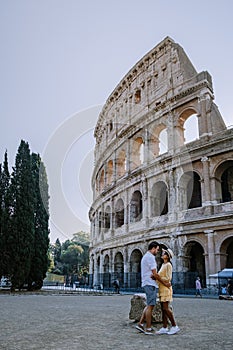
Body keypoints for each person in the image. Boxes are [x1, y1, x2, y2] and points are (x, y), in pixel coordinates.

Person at [135, 241, 171, 335]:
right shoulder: (151, 257)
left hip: (147, 282)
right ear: (153, 248)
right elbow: (155, 273)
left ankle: (140, 323)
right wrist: (164, 283)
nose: (157, 252)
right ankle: (148, 328)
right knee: (151, 306)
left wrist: (155, 276)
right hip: (150, 284)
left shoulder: (145, 256)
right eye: (157, 249)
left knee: (149, 305)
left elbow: (154, 274)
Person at [155, 248, 180, 335]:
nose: (162, 254)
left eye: (164, 253)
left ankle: (174, 326)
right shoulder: (163, 264)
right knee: (163, 309)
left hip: (166, 288)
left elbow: (169, 278)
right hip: (162, 288)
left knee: (166, 308)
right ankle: (164, 327)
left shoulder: (168, 265)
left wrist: (157, 277)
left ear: (167, 256)